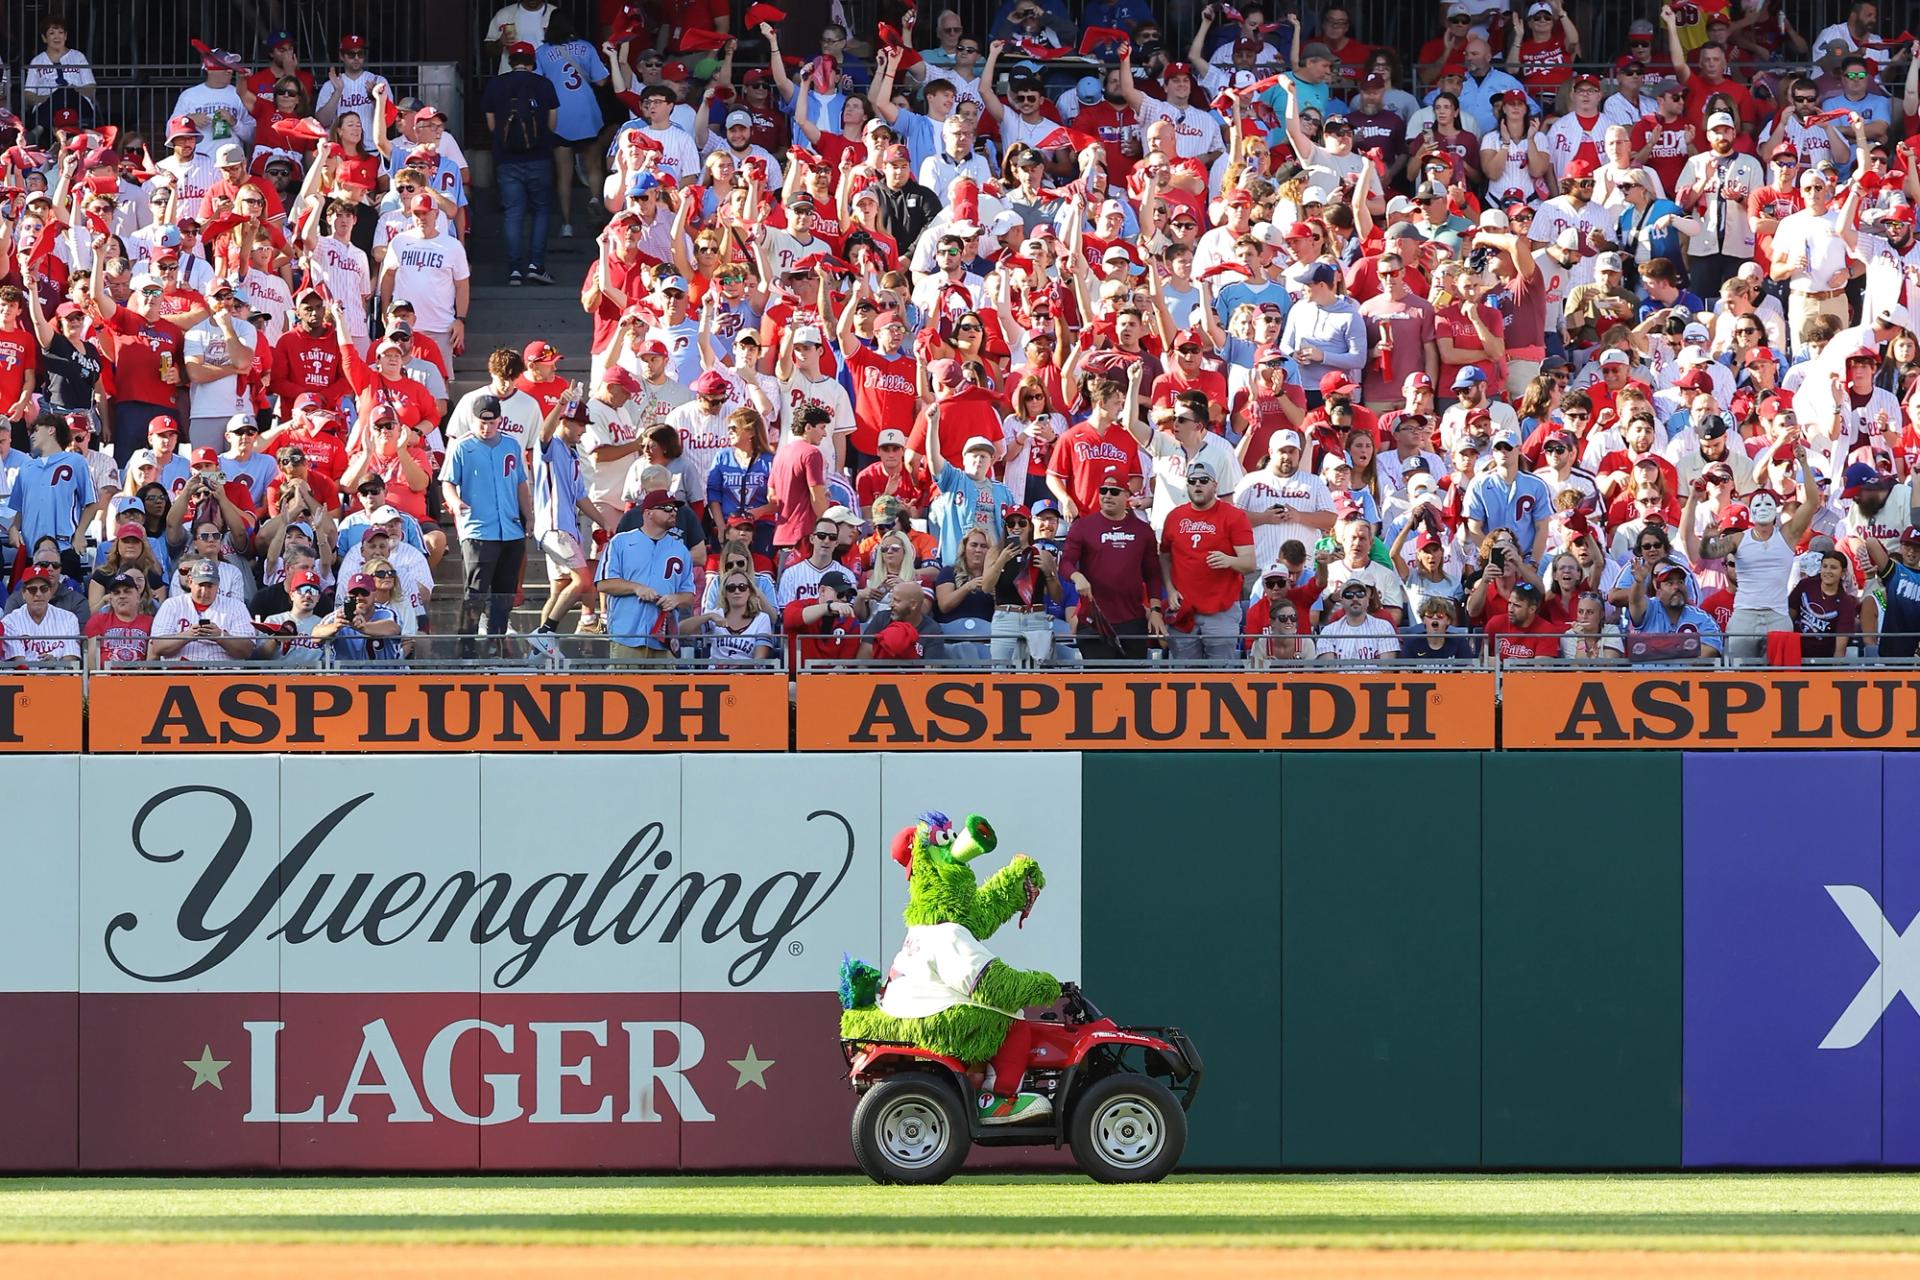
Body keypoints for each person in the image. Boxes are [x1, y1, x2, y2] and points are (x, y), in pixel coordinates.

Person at [1693, 448, 1819, 661]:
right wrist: (1708, 537)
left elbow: (1812, 503)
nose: (1763, 507)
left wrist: (1804, 464)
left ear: (1775, 510)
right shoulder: (1739, 538)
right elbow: (1707, 553)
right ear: (1750, 511)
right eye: (1757, 504)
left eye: (1767, 503)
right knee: (1737, 671)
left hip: (1777, 615)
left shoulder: (1787, 535)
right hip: (1744, 614)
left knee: (1782, 674)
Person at [440, 396, 532, 642]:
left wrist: (529, 515)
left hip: (510, 529)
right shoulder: (462, 446)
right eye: (482, 422)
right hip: (479, 530)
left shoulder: (511, 445)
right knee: (476, 593)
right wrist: (455, 501)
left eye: (491, 422)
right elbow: (447, 481)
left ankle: (497, 646)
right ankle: (466, 647)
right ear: (474, 420)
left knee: (504, 596)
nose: (486, 428)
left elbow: (521, 483)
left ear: (499, 420)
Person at [1061, 467, 1166, 660]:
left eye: (1114, 491)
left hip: (1132, 619)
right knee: (1098, 683)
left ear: (1126, 495)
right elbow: (1066, 562)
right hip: (1095, 618)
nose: (1107, 495)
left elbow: (1153, 574)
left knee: (1133, 683)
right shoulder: (1082, 526)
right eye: (1103, 490)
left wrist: (1156, 610)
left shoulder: (1143, 531)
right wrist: (1077, 576)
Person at [1159, 463, 1256, 661]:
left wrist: (1229, 560)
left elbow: (1250, 563)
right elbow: (1165, 556)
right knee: (1185, 677)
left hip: (1221, 610)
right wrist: (1169, 589)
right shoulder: (1174, 516)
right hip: (1184, 610)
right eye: (1192, 481)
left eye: (1204, 480)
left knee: (1220, 677)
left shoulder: (1234, 516)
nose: (1197, 485)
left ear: (1215, 485)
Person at [596, 490, 696, 661]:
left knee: (665, 688)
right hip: (627, 636)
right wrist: (636, 588)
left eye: (674, 509)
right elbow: (603, 584)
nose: (673, 512)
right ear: (648, 513)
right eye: (666, 508)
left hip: (664, 639)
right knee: (624, 686)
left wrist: (676, 599)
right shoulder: (620, 542)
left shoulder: (681, 550)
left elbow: (689, 596)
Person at [148, 559, 258, 662]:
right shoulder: (172, 605)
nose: (204, 591)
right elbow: (158, 647)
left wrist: (220, 636)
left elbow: (247, 650)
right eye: (200, 584)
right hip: (180, 674)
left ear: (218, 584)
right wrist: (189, 635)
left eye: (209, 585)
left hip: (224, 674)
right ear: (190, 582)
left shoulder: (236, 606)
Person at [1625, 555, 1725, 659]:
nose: (1676, 587)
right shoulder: (1649, 608)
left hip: (1687, 674)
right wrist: (1639, 582)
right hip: (1649, 674)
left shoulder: (1701, 617)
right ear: (1659, 591)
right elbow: (1635, 602)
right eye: (1669, 583)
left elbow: (1711, 648)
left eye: (1680, 582)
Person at [689, 567, 776, 664]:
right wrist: (708, 616)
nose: (737, 591)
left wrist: (741, 669)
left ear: (749, 591)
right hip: (716, 675)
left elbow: (760, 658)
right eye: (731, 588)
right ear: (725, 593)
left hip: (748, 675)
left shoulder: (762, 618)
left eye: (742, 587)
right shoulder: (716, 615)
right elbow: (682, 631)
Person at [0, 564, 81, 663]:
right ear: (23, 593)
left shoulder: (69, 618)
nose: (38, 594)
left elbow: (71, 659)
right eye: (32, 590)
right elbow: (18, 663)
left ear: (50, 592)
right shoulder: (10, 621)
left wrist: (55, 665)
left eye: (44, 589)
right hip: (24, 677)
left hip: (59, 676)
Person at [1788, 548, 1859, 659]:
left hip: (1823, 660)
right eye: (1824, 566)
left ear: (1843, 572)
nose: (1827, 571)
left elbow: (1840, 647)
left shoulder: (1846, 603)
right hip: (1795, 655)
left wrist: (1834, 673)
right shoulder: (1805, 585)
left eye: (1833, 568)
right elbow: (1789, 619)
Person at [1315, 578, 1399, 663]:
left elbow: (1387, 670)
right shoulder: (1328, 631)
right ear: (1341, 600)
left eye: (1360, 594)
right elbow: (1330, 671)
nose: (1355, 598)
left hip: (1374, 676)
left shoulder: (1384, 627)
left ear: (1367, 600)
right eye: (1349, 595)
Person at [83, 570, 155, 664]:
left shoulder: (151, 623)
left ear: (138, 596)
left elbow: (152, 659)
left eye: (127, 591)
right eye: (117, 593)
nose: (122, 596)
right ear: (111, 599)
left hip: (139, 676)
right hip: (105, 677)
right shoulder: (97, 621)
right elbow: (91, 661)